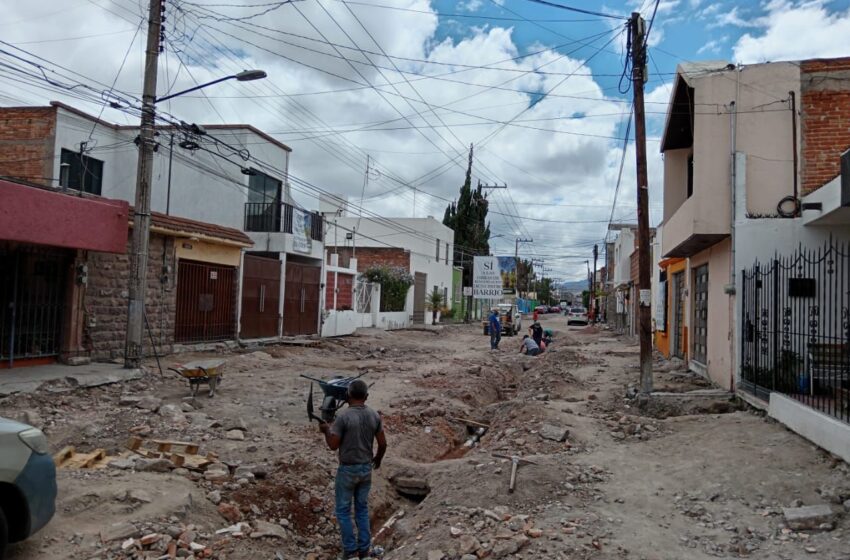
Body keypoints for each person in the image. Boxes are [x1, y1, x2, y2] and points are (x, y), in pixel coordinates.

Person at [319, 380, 388, 560]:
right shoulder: (374, 415)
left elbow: (333, 445)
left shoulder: (343, 416)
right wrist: (377, 459)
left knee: (343, 511)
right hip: (366, 469)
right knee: (362, 509)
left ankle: (350, 552)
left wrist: (326, 430)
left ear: (348, 396)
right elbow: (383, 443)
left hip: (348, 469)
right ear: (366, 396)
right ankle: (364, 551)